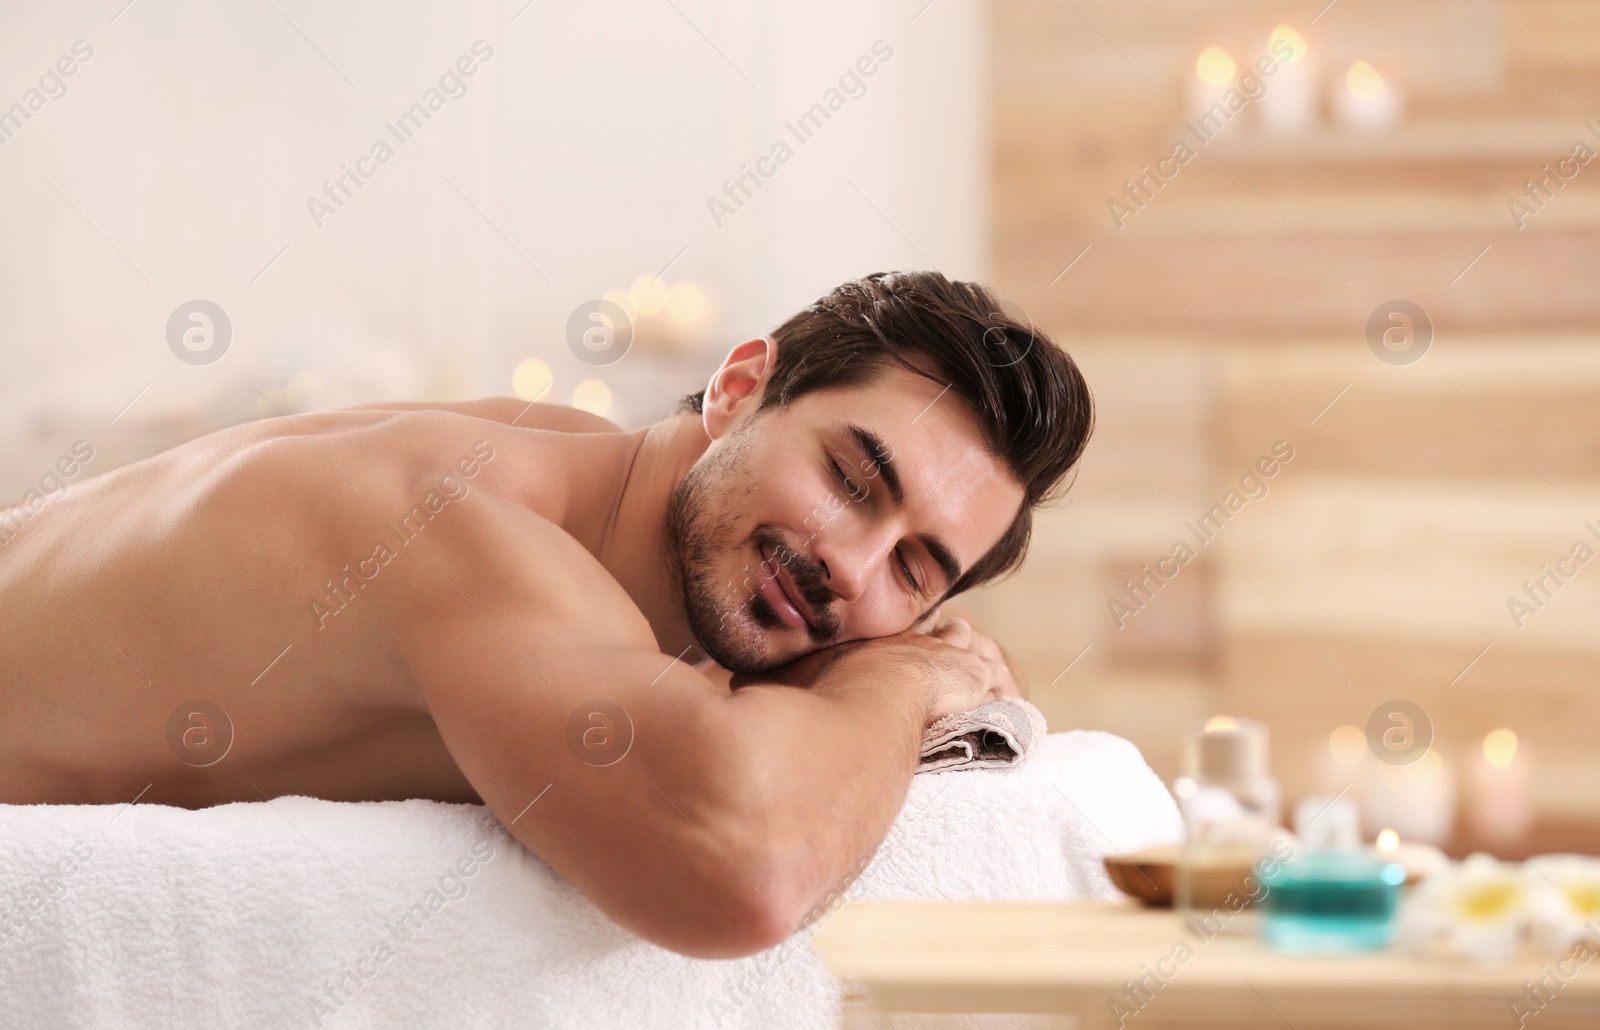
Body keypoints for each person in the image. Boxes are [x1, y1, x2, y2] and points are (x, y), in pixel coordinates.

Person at [0, 270, 1092, 958]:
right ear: (737, 386)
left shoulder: (570, 480)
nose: (845, 567)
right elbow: (740, 864)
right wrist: (901, 679)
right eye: (851, 478)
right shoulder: (460, 526)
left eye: (913, 568)